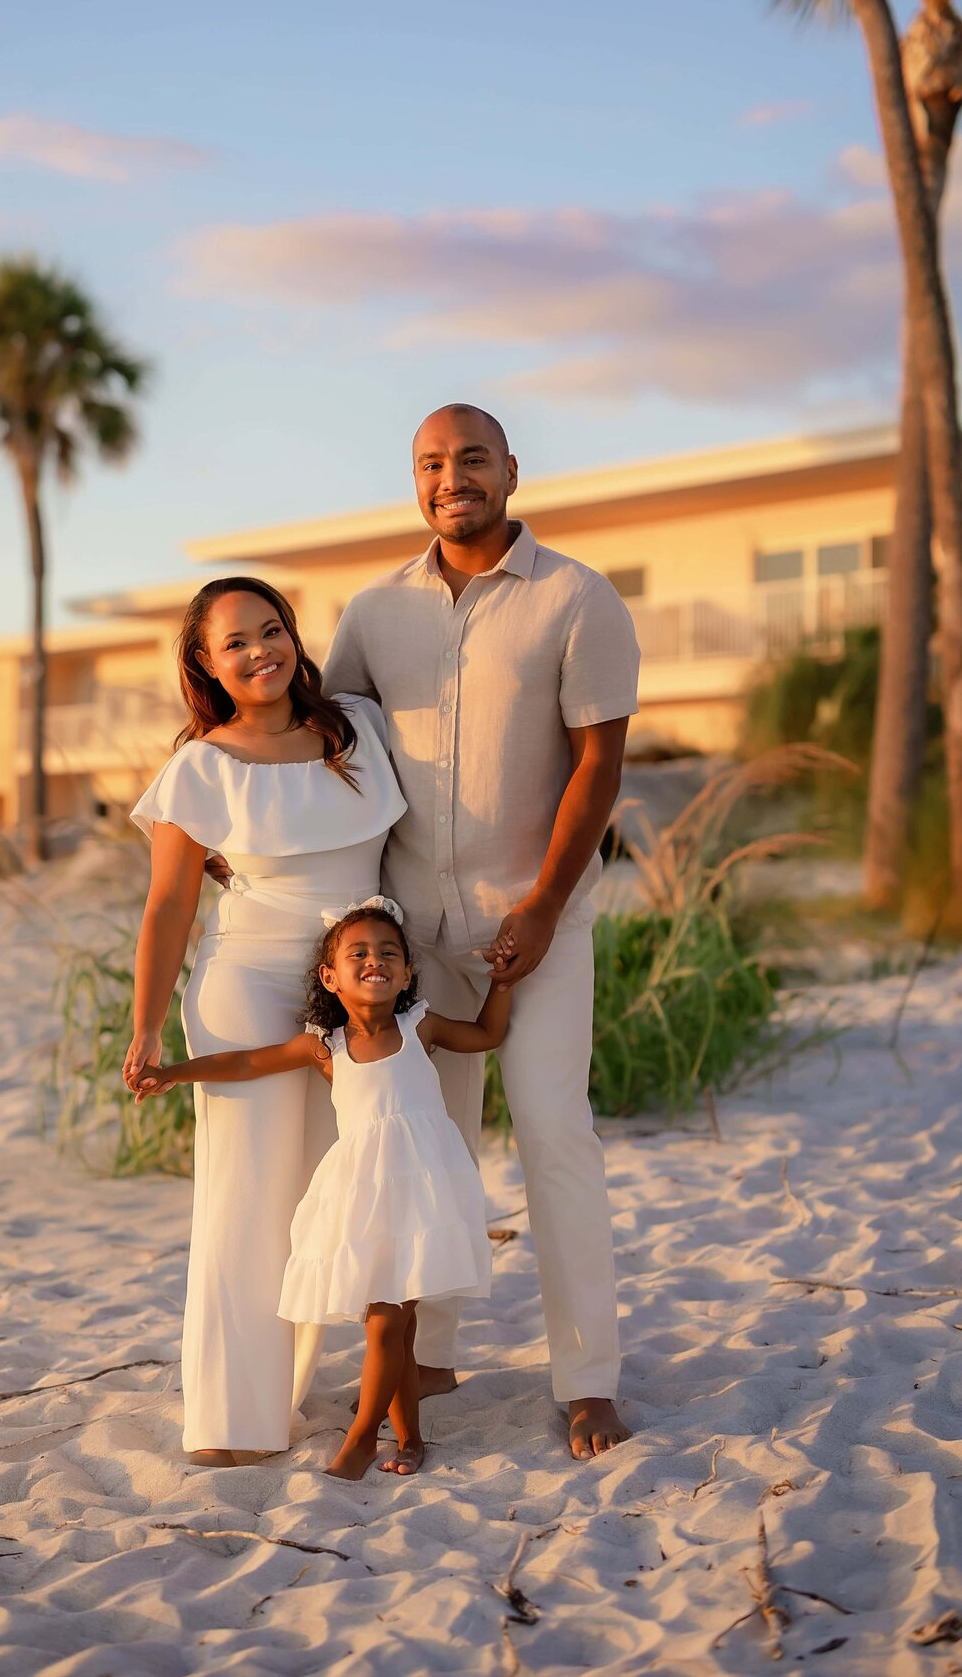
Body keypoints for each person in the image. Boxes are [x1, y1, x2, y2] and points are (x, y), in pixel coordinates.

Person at [322, 403, 640, 1461]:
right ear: (414, 482)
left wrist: (544, 907)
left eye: (469, 458)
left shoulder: (576, 598)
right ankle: (436, 1351)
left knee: (555, 1137)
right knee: (431, 1148)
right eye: (429, 463)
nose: (450, 476)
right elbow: (332, 754)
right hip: (410, 938)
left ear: (510, 469)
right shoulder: (370, 615)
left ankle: (587, 1377)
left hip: (533, 923)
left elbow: (598, 764)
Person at [123, 576, 406, 1464]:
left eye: (271, 630)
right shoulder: (201, 767)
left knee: (335, 1190)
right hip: (243, 985)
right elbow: (169, 906)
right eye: (235, 642)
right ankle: (234, 1421)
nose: (259, 652)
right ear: (205, 662)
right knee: (245, 1199)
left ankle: (290, 1388)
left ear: (294, 636)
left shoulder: (355, 727)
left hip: (353, 991)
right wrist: (145, 1030)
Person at [130, 898, 510, 1480]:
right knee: (392, 1321)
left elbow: (487, 1034)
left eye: (389, 952)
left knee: (391, 1316)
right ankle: (408, 1440)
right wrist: (174, 1073)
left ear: (407, 973)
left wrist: (503, 980)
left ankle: (362, 1439)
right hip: (364, 1191)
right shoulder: (325, 1046)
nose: (375, 960)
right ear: (330, 978)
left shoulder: (420, 1026)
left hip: (424, 1184)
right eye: (357, 953)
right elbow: (249, 1062)